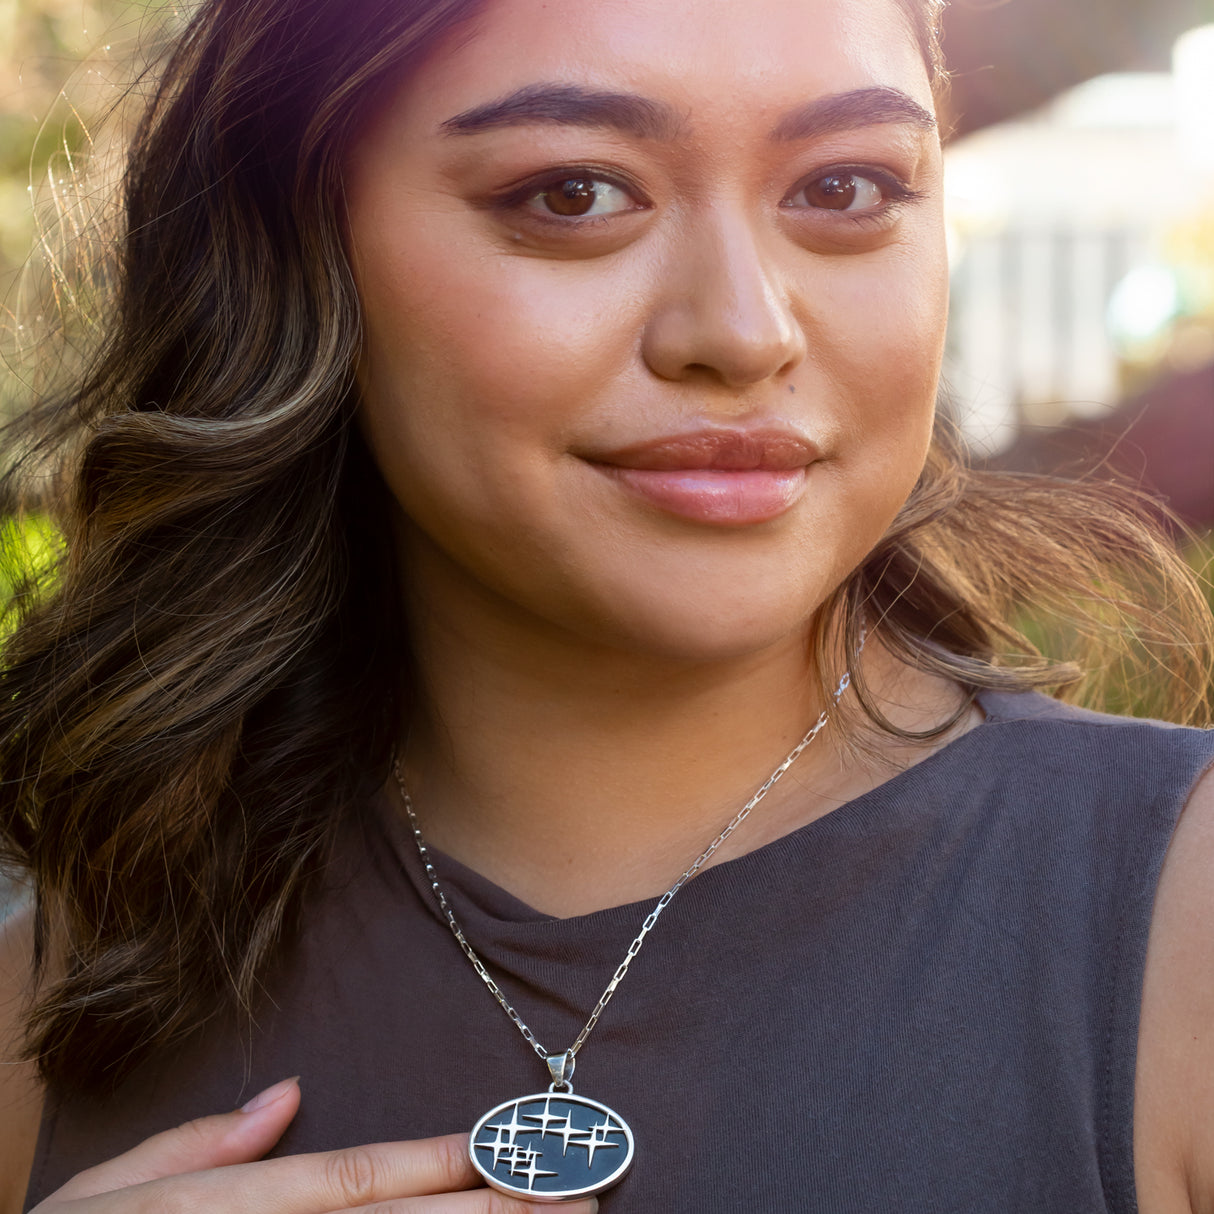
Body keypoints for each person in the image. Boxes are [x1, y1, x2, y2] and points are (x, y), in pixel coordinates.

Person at [1, 0, 1213, 1209]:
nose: (740, 332)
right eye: (573, 194)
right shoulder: (50, 1000)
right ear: (296, 245)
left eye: (843, 188)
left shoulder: (1177, 926)